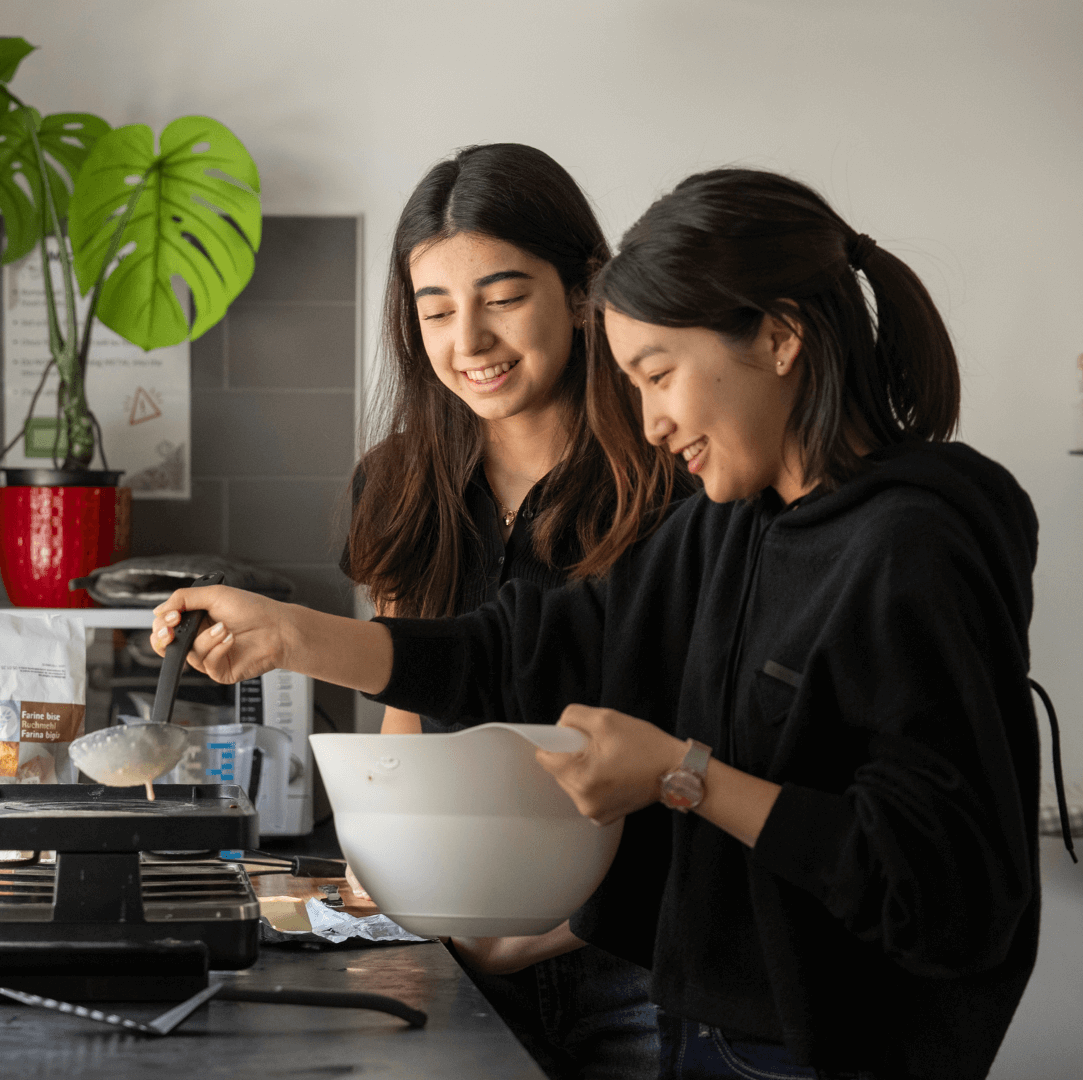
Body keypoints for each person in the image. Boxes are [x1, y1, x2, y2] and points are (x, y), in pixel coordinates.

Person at [154, 168, 1055, 1080]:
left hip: (826, 1051)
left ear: (781, 336)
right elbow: (526, 646)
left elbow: (951, 893)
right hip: (709, 1027)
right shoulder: (730, 526)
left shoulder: (911, 545)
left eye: (659, 376)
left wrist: (681, 775)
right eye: (633, 383)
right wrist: (290, 634)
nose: (653, 423)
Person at [342, 142, 664, 1080]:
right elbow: (405, 709)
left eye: (503, 296)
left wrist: (544, 935)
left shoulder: (669, 472)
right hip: (452, 950)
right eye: (435, 310)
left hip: (627, 955)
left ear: (582, 290)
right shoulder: (398, 484)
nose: (468, 341)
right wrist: (384, 882)